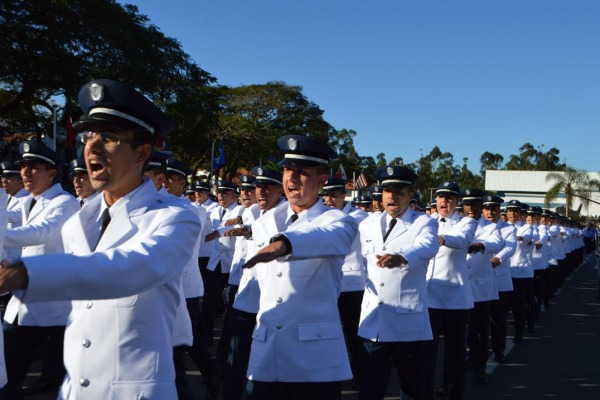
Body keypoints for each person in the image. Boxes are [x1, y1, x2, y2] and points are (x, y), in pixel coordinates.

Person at [0, 79, 202, 399]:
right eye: (89, 135)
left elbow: (133, 267)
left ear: (142, 153)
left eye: (108, 137)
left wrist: (26, 273)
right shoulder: (77, 222)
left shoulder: (176, 217)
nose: (91, 147)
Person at [242, 134, 358, 400]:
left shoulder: (338, 221)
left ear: (321, 180)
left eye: (302, 173)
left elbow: (331, 238)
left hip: (314, 359)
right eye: (287, 170)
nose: (292, 179)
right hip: (266, 353)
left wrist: (284, 243)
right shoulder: (264, 222)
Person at [2, 142, 80, 398]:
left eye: (33, 167)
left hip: (52, 301)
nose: (25, 172)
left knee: (72, 368)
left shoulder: (65, 202)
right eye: (23, 166)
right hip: (27, 298)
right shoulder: (29, 202)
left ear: (52, 172)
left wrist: (1, 236)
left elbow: (42, 232)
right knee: (11, 367)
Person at [357, 165, 439, 400]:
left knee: (415, 388)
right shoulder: (367, 225)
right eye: (387, 191)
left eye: (399, 191)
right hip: (374, 323)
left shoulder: (424, 223)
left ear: (410, 195)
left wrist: (402, 258)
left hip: (408, 323)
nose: (392, 196)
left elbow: (427, 247)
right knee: (371, 389)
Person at [220, 166, 285, 400]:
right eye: (259, 187)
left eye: (268, 187)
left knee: (261, 367)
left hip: (269, 304)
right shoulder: (257, 212)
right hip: (246, 298)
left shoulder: (286, 215)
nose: (261, 192)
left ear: (281, 189)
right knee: (235, 359)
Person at [424, 182, 477, 400]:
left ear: (456, 202)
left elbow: (463, 240)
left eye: (449, 198)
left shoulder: (467, 222)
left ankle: (455, 391)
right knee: (426, 350)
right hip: (429, 296)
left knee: (455, 350)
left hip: (455, 297)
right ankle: (424, 392)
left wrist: (443, 239)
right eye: (440, 197)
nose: (444, 202)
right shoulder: (425, 221)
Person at [321, 177, 368, 389]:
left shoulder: (358, 215)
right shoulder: (322, 214)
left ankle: (361, 375)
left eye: (333, 195)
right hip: (327, 282)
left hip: (352, 285)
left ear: (343, 196)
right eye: (326, 195)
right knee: (327, 331)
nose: (329, 199)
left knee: (353, 333)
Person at [461, 188, 502, 384]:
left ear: (481, 207)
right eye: (467, 204)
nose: (471, 208)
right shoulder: (457, 223)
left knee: (480, 330)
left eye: (475, 204)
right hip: (459, 286)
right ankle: (462, 367)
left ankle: (480, 368)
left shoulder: (491, 226)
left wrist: (481, 245)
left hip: (480, 287)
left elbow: (496, 243)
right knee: (460, 332)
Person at [203, 179, 244, 344]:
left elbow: (240, 221)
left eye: (226, 194)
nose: (221, 197)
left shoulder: (240, 210)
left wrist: (218, 232)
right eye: (220, 194)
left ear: (234, 196)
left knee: (231, 303)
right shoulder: (215, 211)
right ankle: (206, 338)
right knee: (209, 302)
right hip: (215, 261)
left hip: (231, 262)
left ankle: (227, 340)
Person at [483, 195, 516, 363]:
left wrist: (499, 258)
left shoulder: (508, 229)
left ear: (499, 211)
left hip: (499, 282)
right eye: (487, 209)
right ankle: (475, 355)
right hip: (479, 282)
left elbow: (510, 247)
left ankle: (498, 350)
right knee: (478, 323)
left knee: (498, 320)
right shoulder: (476, 227)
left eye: (494, 209)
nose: (490, 212)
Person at [505, 199, 534, 344]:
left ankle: (519, 332)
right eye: (510, 211)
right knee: (503, 309)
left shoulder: (526, 228)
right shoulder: (502, 227)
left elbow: (527, 238)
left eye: (515, 211)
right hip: (504, 273)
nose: (512, 214)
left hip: (520, 273)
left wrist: (519, 238)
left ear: (521, 213)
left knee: (518, 306)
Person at [0, 161, 27, 262]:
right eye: (3, 178)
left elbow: (17, 214)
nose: (4, 182)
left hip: (16, 256)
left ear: (21, 182)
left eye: (9, 179)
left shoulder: (27, 199)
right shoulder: (5, 197)